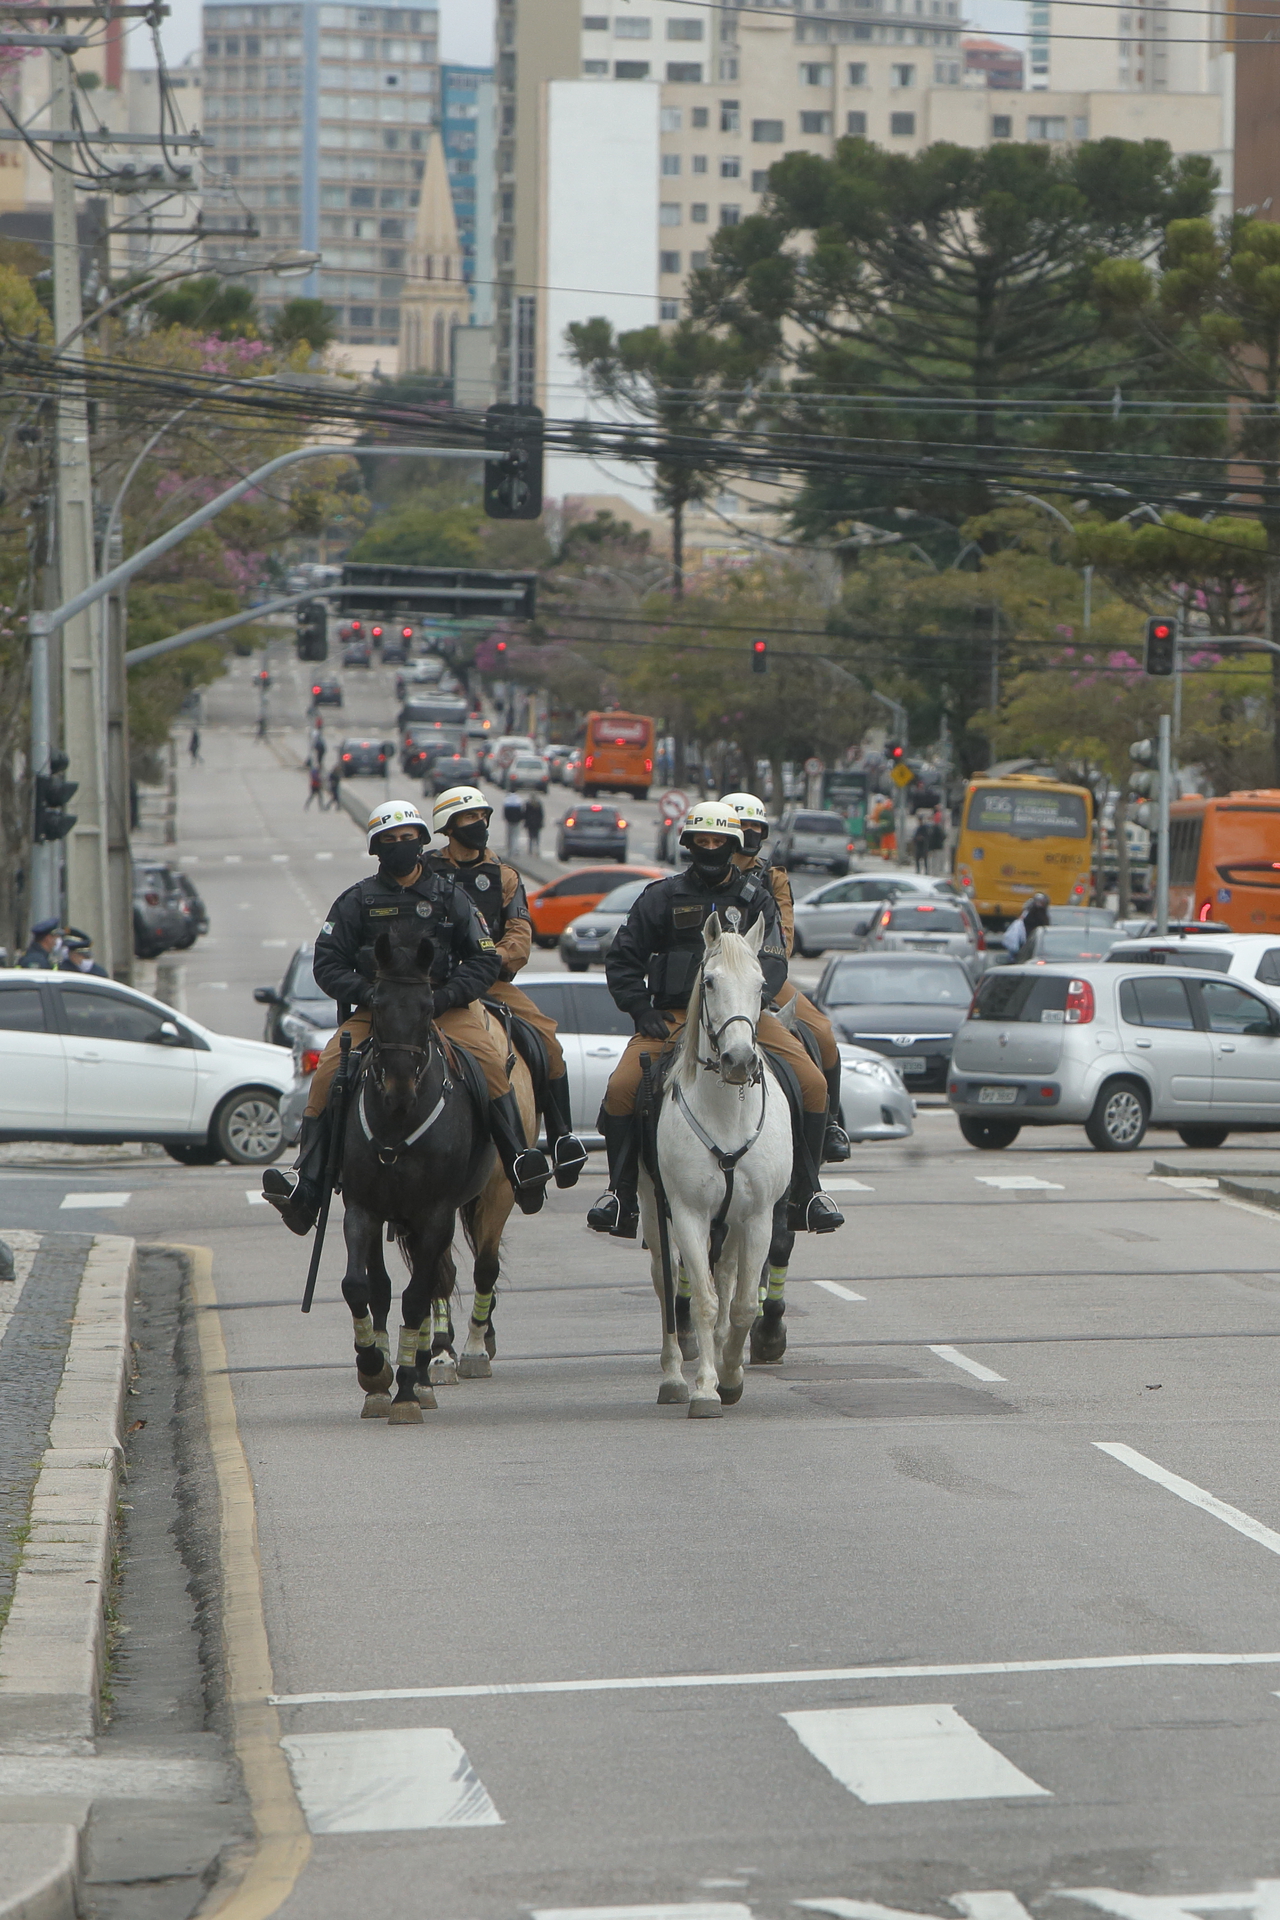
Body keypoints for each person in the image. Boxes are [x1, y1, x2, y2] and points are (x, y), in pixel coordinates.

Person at [262, 800, 552, 1235]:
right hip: (379, 1014)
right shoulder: (355, 901)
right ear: (377, 849)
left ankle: (517, 1163)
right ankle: (308, 1179)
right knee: (327, 1070)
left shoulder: (452, 897)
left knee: (492, 1065)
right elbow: (328, 962)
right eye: (390, 841)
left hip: (445, 1010)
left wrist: (449, 995)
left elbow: (482, 958)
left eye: (407, 839)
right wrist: (369, 994)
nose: (400, 847)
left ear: (421, 842)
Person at [585, 801, 844, 1241]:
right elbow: (622, 959)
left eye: (719, 842)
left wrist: (748, 1004)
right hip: (672, 1019)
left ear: (733, 845)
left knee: (814, 1084)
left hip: (743, 1018)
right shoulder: (661, 897)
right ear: (688, 845)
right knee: (621, 1088)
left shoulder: (756, 898)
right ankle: (620, 1194)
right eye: (701, 841)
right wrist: (640, 1009)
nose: (710, 848)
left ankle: (808, 1190)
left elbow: (775, 960)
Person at [425, 786, 586, 1187]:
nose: (479, 825)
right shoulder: (424, 870)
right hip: (432, 984)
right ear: (448, 827)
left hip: (489, 984)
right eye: (468, 819)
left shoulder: (506, 877)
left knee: (547, 1040)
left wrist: (486, 960)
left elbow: (519, 936)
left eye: (482, 817)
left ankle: (562, 1136)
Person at [721, 790, 850, 1165]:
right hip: (711, 981)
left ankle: (830, 1124)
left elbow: (785, 936)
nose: (746, 838)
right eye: (739, 829)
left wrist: (759, 973)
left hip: (762, 976)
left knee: (823, 1034)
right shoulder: (700, 872)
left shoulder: (773, 878)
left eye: (754, 830)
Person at [1003, 891, 1051, 955]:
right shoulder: (1031, 912)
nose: (1039, 904)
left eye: (1041, 902)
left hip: (1034, 939)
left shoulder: (1042, 914)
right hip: (1026, 938)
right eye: (1038, 902)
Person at [502, 789, 523, 855]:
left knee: (509, 836)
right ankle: (515, 849)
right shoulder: (518, 800)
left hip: (509, 821)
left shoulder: (507, 801)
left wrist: (506, 819)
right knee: (515, 836)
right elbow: (521, 812)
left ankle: (510, 849)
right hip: (516, 821)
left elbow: (505, 812)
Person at [523, 791, 544, 856]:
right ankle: (537, 850)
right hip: (537, 823)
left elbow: (525, 814)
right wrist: (541, 822)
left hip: (530, 823)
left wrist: (525, 823)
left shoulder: (528, 804)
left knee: (530, 837)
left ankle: (530, 850)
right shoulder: (538, 805)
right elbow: (541, 815)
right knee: (536, 838)